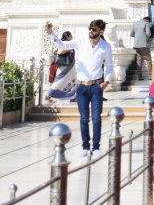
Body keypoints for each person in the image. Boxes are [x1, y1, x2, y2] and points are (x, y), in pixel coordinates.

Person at [45, 19, 113, 156]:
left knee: (96, 118)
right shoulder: (81, 42)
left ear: (101, 31)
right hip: (81, 87)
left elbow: (109, 65)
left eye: (94, 29)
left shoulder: (105, 47)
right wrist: (51, 33)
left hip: (96, 86)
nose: (91, 31)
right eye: (90, 28)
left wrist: (106, 81)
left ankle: (96, 147)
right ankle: (85, 147)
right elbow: (63, 44)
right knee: (83, 119)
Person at [47, 32, 76, 102]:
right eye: (71, 35)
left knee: (71, 82)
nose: (72, 37)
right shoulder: (63, 43)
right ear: (68, 37)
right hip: (64, 68)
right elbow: (60, 52)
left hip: (69, 68)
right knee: (59, 82)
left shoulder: (68, 43)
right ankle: (50, 94)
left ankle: (72, 97)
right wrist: (69, 48)